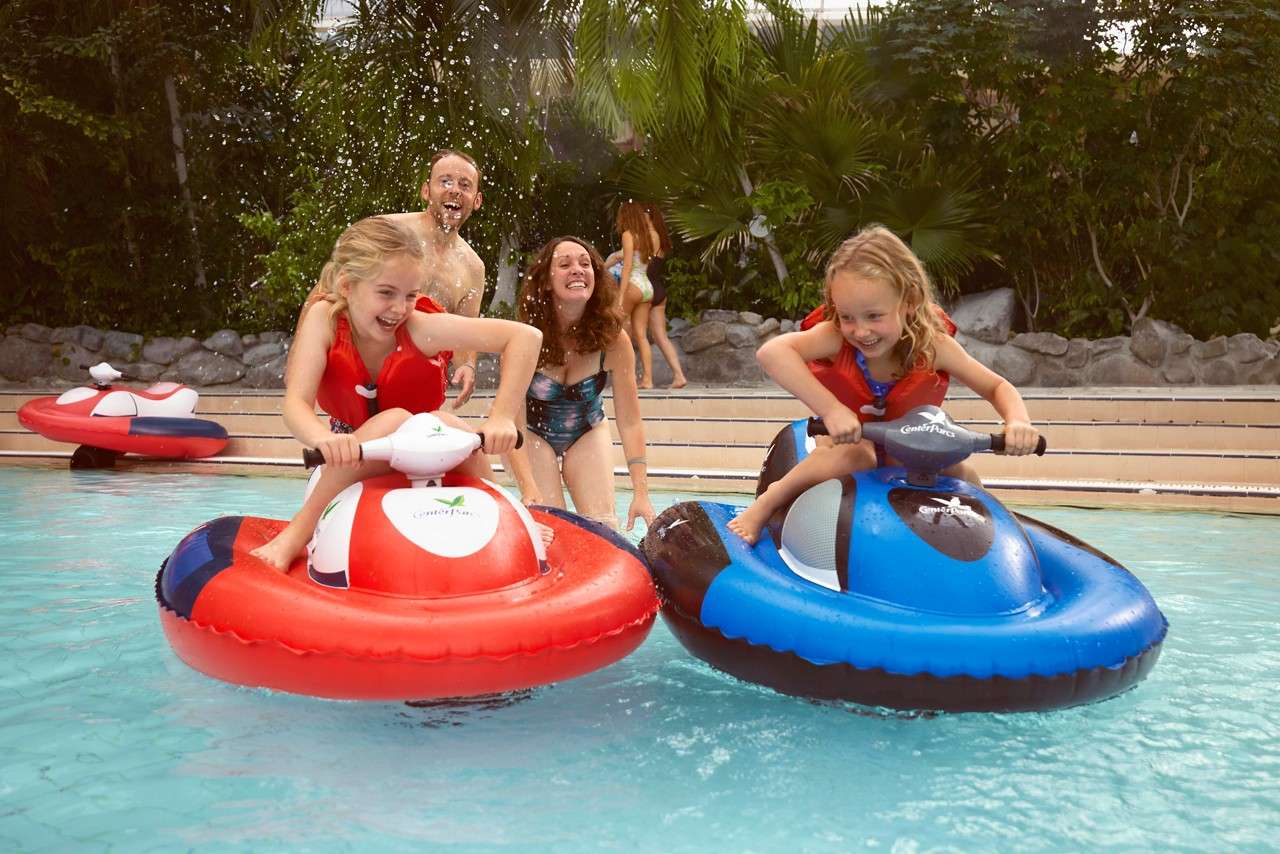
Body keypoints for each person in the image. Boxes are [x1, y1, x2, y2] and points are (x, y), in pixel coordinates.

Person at [251, 216, 543, 571]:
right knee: (394, 419)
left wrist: (501, 417)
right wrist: (324, 439)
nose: (399, 309)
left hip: (426, 460)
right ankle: (296, 534)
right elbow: (295, 404)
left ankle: (505, 520)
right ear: (347, 285)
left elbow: (526, 338)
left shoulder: (421, 327)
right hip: (348, 460)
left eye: (410, 295)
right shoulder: (323, 320)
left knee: (446, 423)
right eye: (386, 293)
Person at [727, 225, 1041, 545]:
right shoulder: (833, 337)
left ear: (909, 301)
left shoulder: (934, 347)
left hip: (910, 449)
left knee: (963, 473)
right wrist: (832, 410)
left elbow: (997, 387)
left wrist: (1017, 421)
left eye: (874, 316)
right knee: (856, 457)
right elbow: (772, 353)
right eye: (848, 317)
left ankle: (1003, 538)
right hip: (849, 442)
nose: (861, 331)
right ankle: (768, 501)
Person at [297, 150, 488, 408]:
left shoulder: (473, 267)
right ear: (426, 191)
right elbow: (324, 292)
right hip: (361, 377)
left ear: (476, 200)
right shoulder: (388, 231)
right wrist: (299, 361)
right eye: (445, 181)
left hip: (413, 388)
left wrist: (467, 365)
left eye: (464, 185)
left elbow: (464, 329)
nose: (454, 190)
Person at [504, 236, 656, 531]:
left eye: (585, 264)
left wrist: (641, 493)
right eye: (565, 265)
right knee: (553, 524)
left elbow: (630, 421)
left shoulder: (614, 340)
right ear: (547, 282)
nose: (577, 269)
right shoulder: (524, 338)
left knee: (603, 528)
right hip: (530, 436)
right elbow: (512, 421)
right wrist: (528, 488)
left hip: (587, 429)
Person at [612, 201, 661, 389]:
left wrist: (620, 296)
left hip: (633, 284)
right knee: (641, 336)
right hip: (647, 286)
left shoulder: (628, 235)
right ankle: (648, 380)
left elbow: (626, 268)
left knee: (620, 332)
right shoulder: (650, 236)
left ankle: (626, 377)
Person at [640, 203, 688, 389]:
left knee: (639, 334)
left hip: (647, 288)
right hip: (657, 288)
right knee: (660, 337)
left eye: (642, 213)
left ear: (649, 216)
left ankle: (647, 379)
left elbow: (644, 265)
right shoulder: (658, 235)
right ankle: (679, 376)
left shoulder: (651, 236)